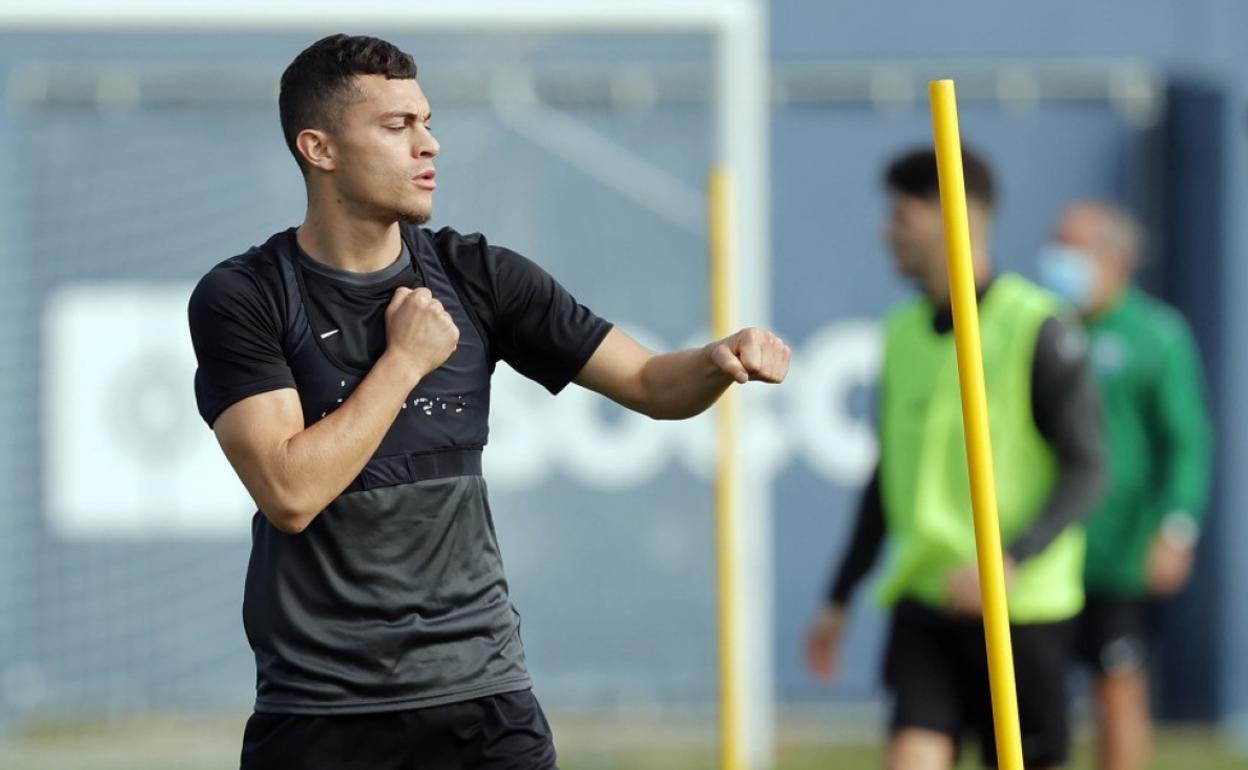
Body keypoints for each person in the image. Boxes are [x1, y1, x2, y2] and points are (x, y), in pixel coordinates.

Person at [187, 34, 789, 770]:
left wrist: (718, 360)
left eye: (427, 121)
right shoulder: (242, 296)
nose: (429, 145)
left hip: (483, 707)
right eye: (396, 126)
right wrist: (405, 361)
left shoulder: (480, 275)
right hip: (320, 713)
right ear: (320, 148)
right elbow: (289, 491)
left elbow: (652, 385)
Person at [804, 148, 1105, 770]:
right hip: (927, 600)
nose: (888, 234)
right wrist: (840, 595)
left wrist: (1011, 559)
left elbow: (1087, 467)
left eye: (902, 217)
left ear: (955, 217)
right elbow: (887, 477)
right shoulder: (900, 333)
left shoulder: (1038, 327)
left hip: (1022, 612)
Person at [1037, 201, 1213, 770]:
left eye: (1074, 246)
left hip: (1120, 548)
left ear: (1116, 258)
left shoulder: (1156, 335)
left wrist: (1175, 528)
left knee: (1117, 688)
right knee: (1034, 699)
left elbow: (1185, 440)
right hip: (1046, 544)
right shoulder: (1044, 326)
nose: (1058, 259)